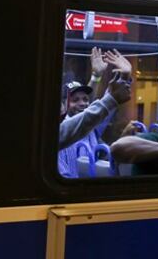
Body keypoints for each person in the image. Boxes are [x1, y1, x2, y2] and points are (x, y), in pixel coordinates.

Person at [57, 48, 134, 177]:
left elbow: (102, 108)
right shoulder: (61, 131)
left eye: (85, 99)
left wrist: (125, 76)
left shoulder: (92, 128)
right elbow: (89, 116)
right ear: (63, 105)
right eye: (75, 100)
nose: (82, 103)